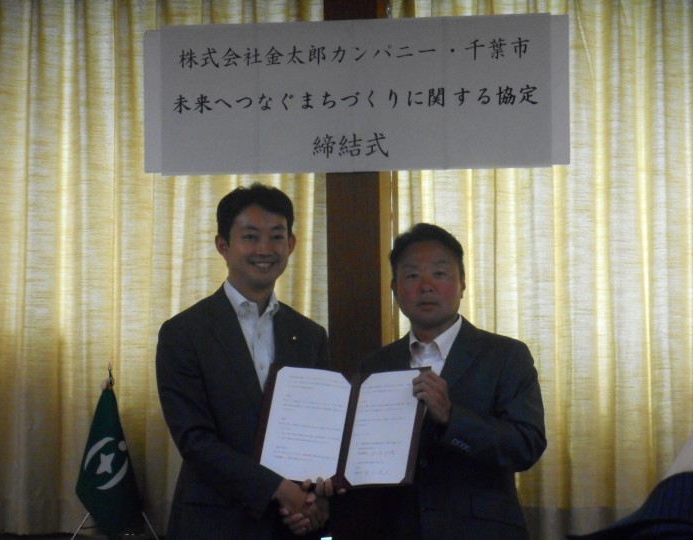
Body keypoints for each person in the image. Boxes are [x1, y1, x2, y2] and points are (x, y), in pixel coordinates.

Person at [156, 183, 333, 540]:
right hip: (214, 523)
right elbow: (195, 442)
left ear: (291, 244)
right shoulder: (184, 333)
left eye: (276, 236)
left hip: (289, 526)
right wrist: (280, 490)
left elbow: (320, 431)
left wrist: (314, 500)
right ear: (222, 245)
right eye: (250, 237)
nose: (264, 249)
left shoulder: (310, 335)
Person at [356, 223, 547, 540]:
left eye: (440, 273)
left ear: (463, 283)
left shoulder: (506, 355)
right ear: (395, 288)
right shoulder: (376, 365)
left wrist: (451, 417)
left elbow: (526, 446)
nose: (426, 286)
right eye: (412, 275)